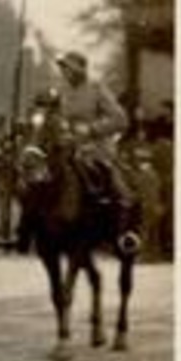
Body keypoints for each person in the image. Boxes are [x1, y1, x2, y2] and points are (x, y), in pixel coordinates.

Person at [52, 50, 137, 239]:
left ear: (80, 69)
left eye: (67, 67)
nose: (64, 71)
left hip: (96, 147)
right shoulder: (62, 90)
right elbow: (57, 117)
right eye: (62, 67)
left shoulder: (97, 89)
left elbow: (120, 119)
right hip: (69, 146)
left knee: (111, 179)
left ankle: (125, 229)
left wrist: (92, 129)